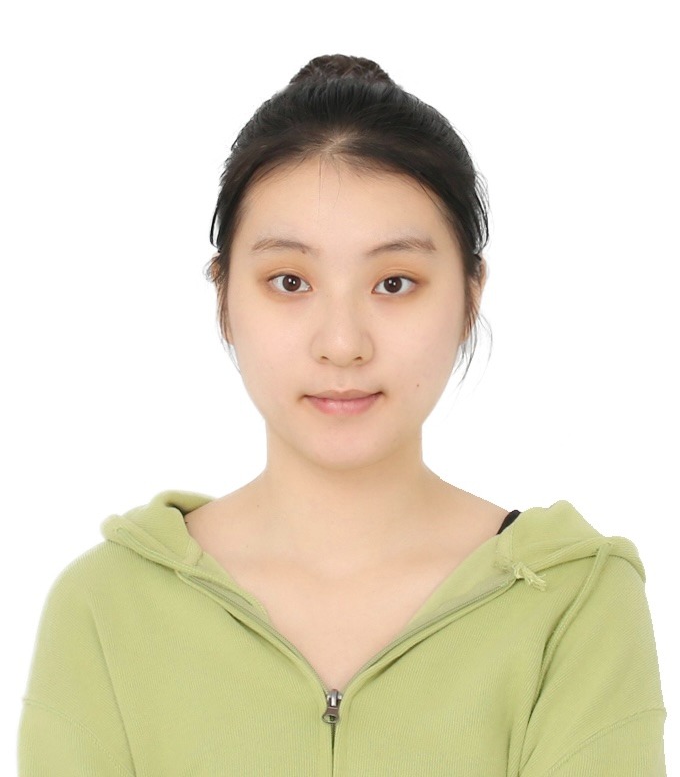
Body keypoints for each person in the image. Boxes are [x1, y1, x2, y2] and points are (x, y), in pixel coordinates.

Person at [18, 55, 666, 775]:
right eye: (289, 281)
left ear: (470, 296)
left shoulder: (574, 602)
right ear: (224, 296)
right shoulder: (106, 608)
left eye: (395, 283)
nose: (342, 343)